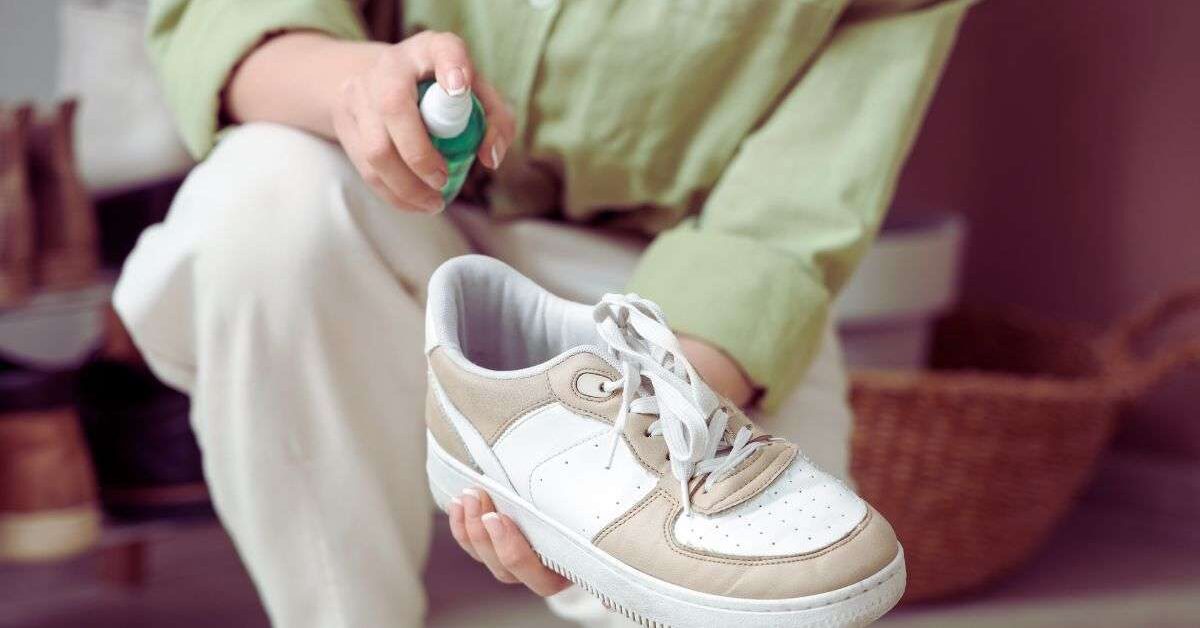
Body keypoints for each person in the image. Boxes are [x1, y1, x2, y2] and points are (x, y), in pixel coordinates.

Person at [115, 1, 977, 626]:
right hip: (385, 211)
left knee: (785, 596)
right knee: (262, 198)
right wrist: (358, 88)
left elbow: (792, 208)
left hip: (682, 287)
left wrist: (638, 448)